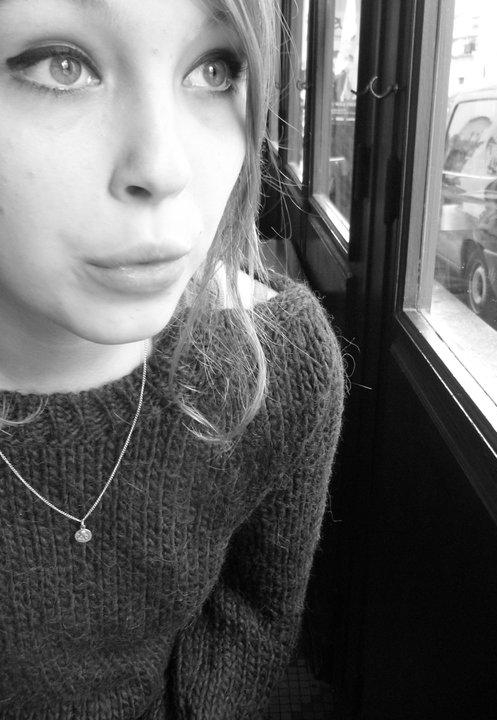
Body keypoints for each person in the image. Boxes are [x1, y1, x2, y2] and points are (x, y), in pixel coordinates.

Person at [0, 0, 344, 718]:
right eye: (61, 65)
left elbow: (251, 617)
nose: (164, 168)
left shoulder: (276, 367)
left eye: (215, 70)